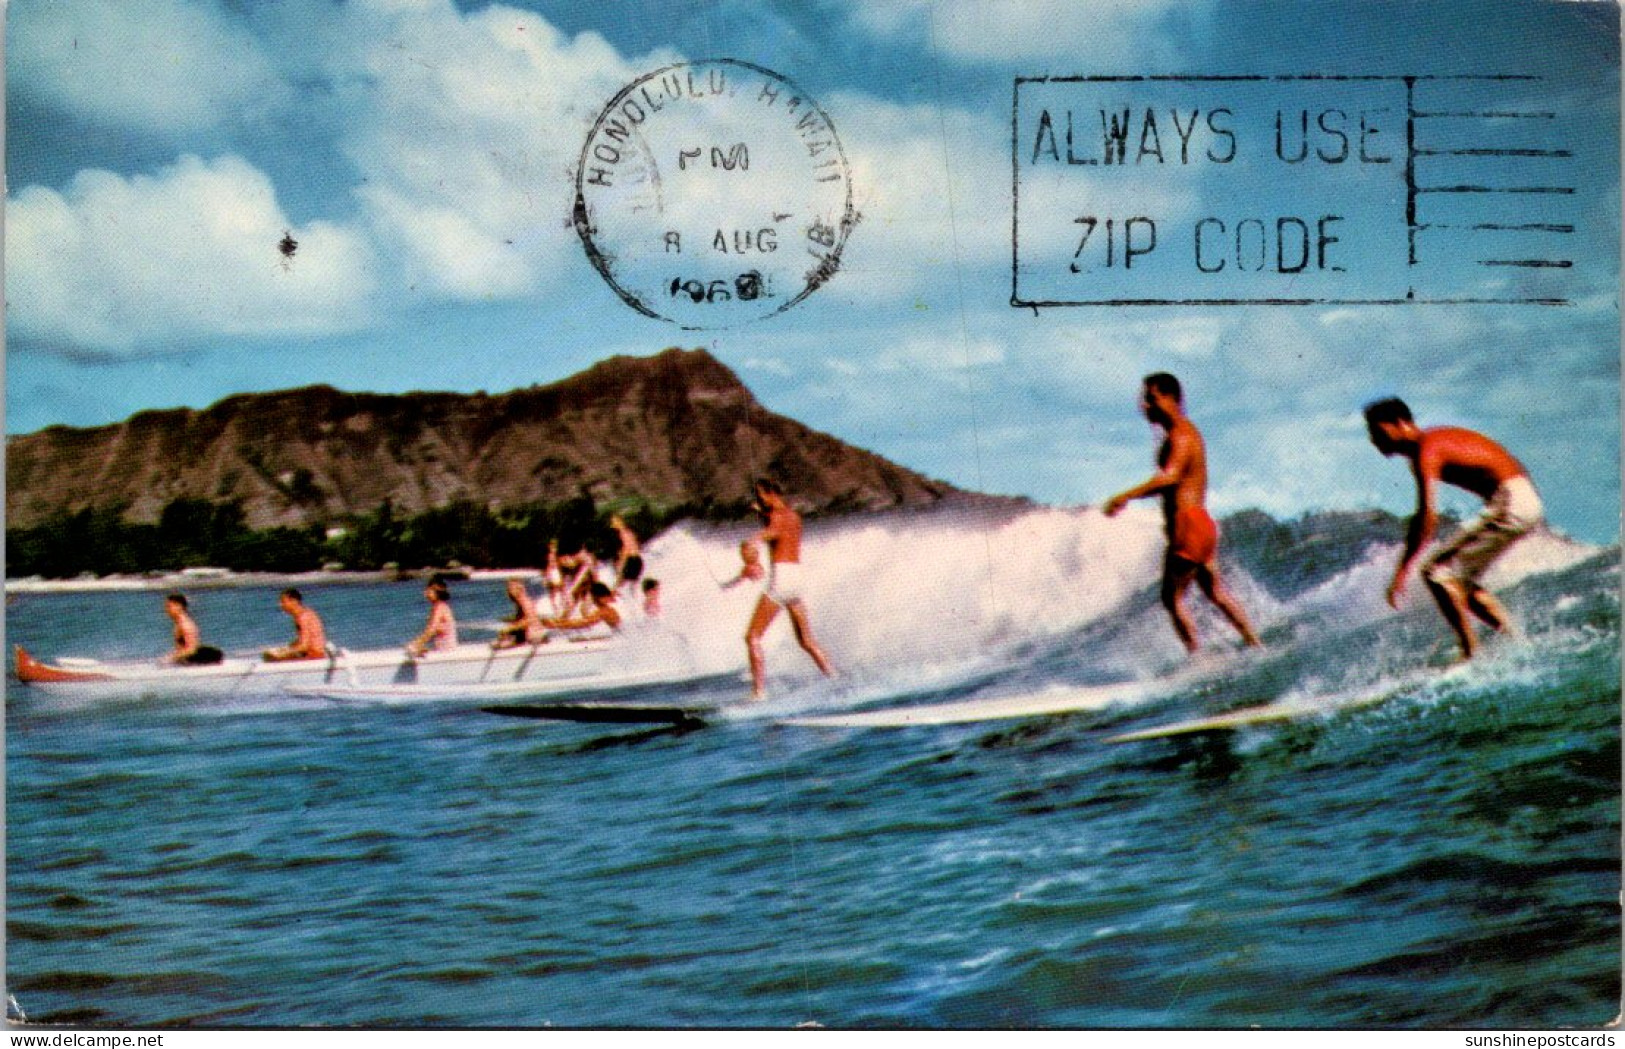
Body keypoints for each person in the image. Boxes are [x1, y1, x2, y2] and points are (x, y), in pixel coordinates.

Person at [1364, 397, 1543, 660]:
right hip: (1520, 498)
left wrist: (1402, 570)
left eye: (1377, 431)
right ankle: (1519, 643)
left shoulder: (1428, 448)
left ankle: (1470, 654)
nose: (1374, 440)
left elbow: (1427, 517)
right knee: (1459, 583)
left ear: (1400, 423)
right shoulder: (1431, 445)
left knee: (1436, 572)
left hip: (1512, 500)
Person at [1104, 373, 1261, 654]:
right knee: (1215, 592)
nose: (1145, 406)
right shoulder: (1183, 433)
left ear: (1173, 399)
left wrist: (1125, 496)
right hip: (1201, 523)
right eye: (1145, 400)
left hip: (1188, 524)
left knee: (1171, 598)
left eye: (1152, 399)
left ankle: (1197, 657)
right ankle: (1255, 643)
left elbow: (1169, 477)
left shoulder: (1181, 434)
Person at [744, 478, 835, 700]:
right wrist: (761, 515)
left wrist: (750, 550)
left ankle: (758, 693)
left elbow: (770, 532)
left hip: (782, 579)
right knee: (806, 640)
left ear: (770, 493)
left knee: (752, 637)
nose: (757, 499)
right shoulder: (794, 516)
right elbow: (780, 530)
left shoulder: (775, 518)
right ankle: (835, 678)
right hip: (797, 578)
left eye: (759, 495)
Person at [263, 588, 328, 661]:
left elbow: (304, 646)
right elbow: (304, 640)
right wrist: (286, 649)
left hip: (314, 654)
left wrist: (284, 653)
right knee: (269, 654)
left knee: (270, 657)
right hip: (312, 652)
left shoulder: (303, 617)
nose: (280, 605)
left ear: (294, 601)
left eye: (283, 602)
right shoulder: (303, 614)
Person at [163, 593, 222, 665]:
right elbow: (181, 648)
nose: (166, 610)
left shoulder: (185, 625)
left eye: (169, 607)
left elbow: (191, 649)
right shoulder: (179, 624)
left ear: (179, 606)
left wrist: (171, 658)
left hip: (191, 662)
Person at [541, 581, 622, 633]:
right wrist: (554, 621)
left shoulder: (605, 610)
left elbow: (582, 623)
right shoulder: (604, 607)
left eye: (590, 597)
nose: (588, 600)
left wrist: (554, 624)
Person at [406, 578, 458, 656]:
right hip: (446, 649)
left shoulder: (439, 607)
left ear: (437, 592)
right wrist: (420, 645)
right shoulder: (442, 606)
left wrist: (415, 644)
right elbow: (435, 631)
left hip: (445, 651)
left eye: (429, 591)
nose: (425, 594)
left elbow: (431, 630)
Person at [492, 578, 544, 649]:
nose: (508, 591)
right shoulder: (520, 602)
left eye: (511, 588)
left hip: (533, 635)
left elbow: (529, 620)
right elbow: (524, 617)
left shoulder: (525, 601)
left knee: (502, 638)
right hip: (528, 633)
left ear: (519, 588)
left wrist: (511, 628)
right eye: (508, 588)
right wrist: (510, 620)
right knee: (501, 638)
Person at [610, 515, 645, 598]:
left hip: (633, 562)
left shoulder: (623, 534)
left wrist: (620, 564)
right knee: (631, 588)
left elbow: (626, 551)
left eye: (614, 522)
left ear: (620, 522)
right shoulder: (628, 532)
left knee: (622, 584)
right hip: (637, 561)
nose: (613, 524)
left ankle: (615, 592)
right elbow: (635, 546)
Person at [543, 539, 567, 613]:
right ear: (549, 547)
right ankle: (557, 608)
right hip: (554, 573)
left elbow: (556, 566)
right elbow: (549, 566)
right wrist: (546, 577)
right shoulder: (551, 555)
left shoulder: (555, 555)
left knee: (559, 590)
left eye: (555, 547)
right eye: (553, 547)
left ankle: (560, 607)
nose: (554, 549)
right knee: (556, 590)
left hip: (556, 573)